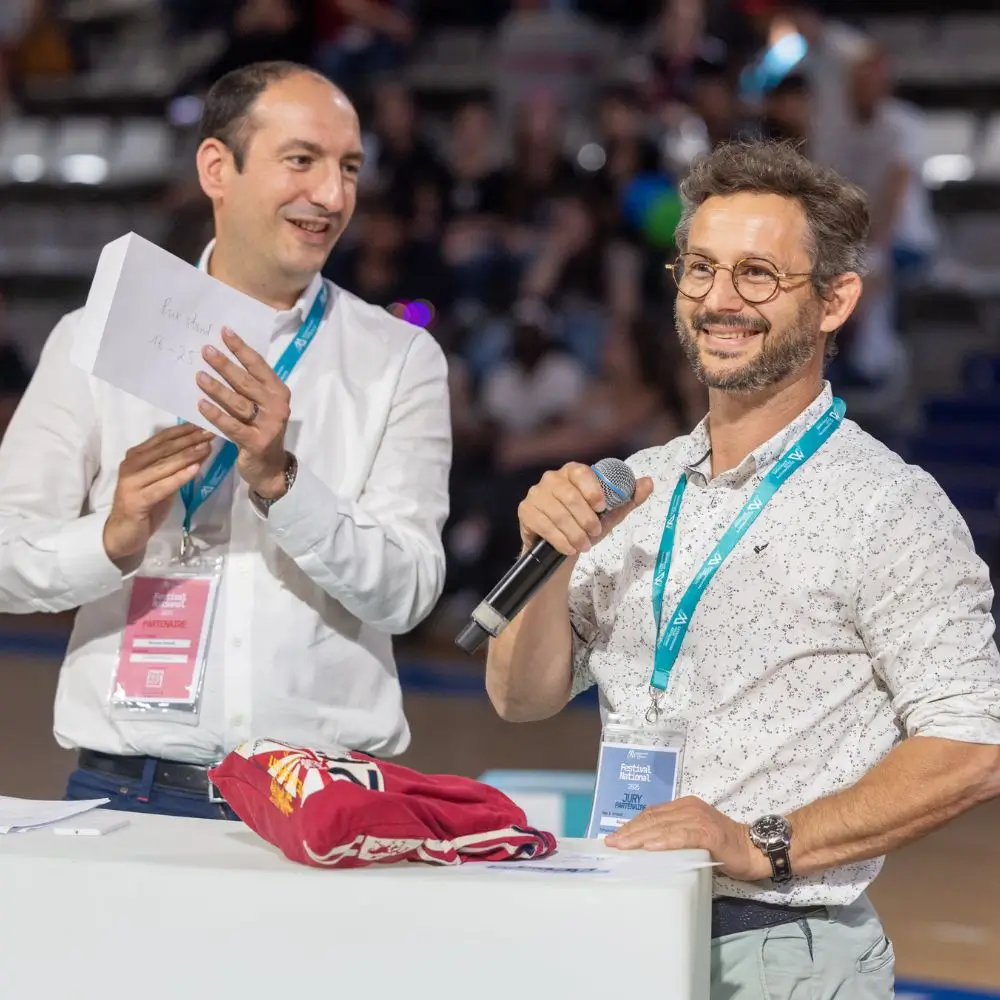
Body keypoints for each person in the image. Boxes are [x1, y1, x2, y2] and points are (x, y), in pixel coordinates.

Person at [484, 138, 1000, 997]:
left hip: (781, 951)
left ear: (835, 301)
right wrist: (551, 558)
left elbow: (974, 745)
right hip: (622, 921)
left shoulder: (892, 508)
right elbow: (522, 697)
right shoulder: (633, 488)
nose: (720, 301)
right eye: (700, 270)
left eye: (758, 275)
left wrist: (761, 843)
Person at [0, 61, 451, 819]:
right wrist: (111, 540)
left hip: (320, 802)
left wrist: (283, 483)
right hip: (125, 791)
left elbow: (408, 591)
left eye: (348, 168)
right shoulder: (93, 339)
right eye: (301, 161)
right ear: (218, 167)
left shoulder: (397, 358)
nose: (333, 197)